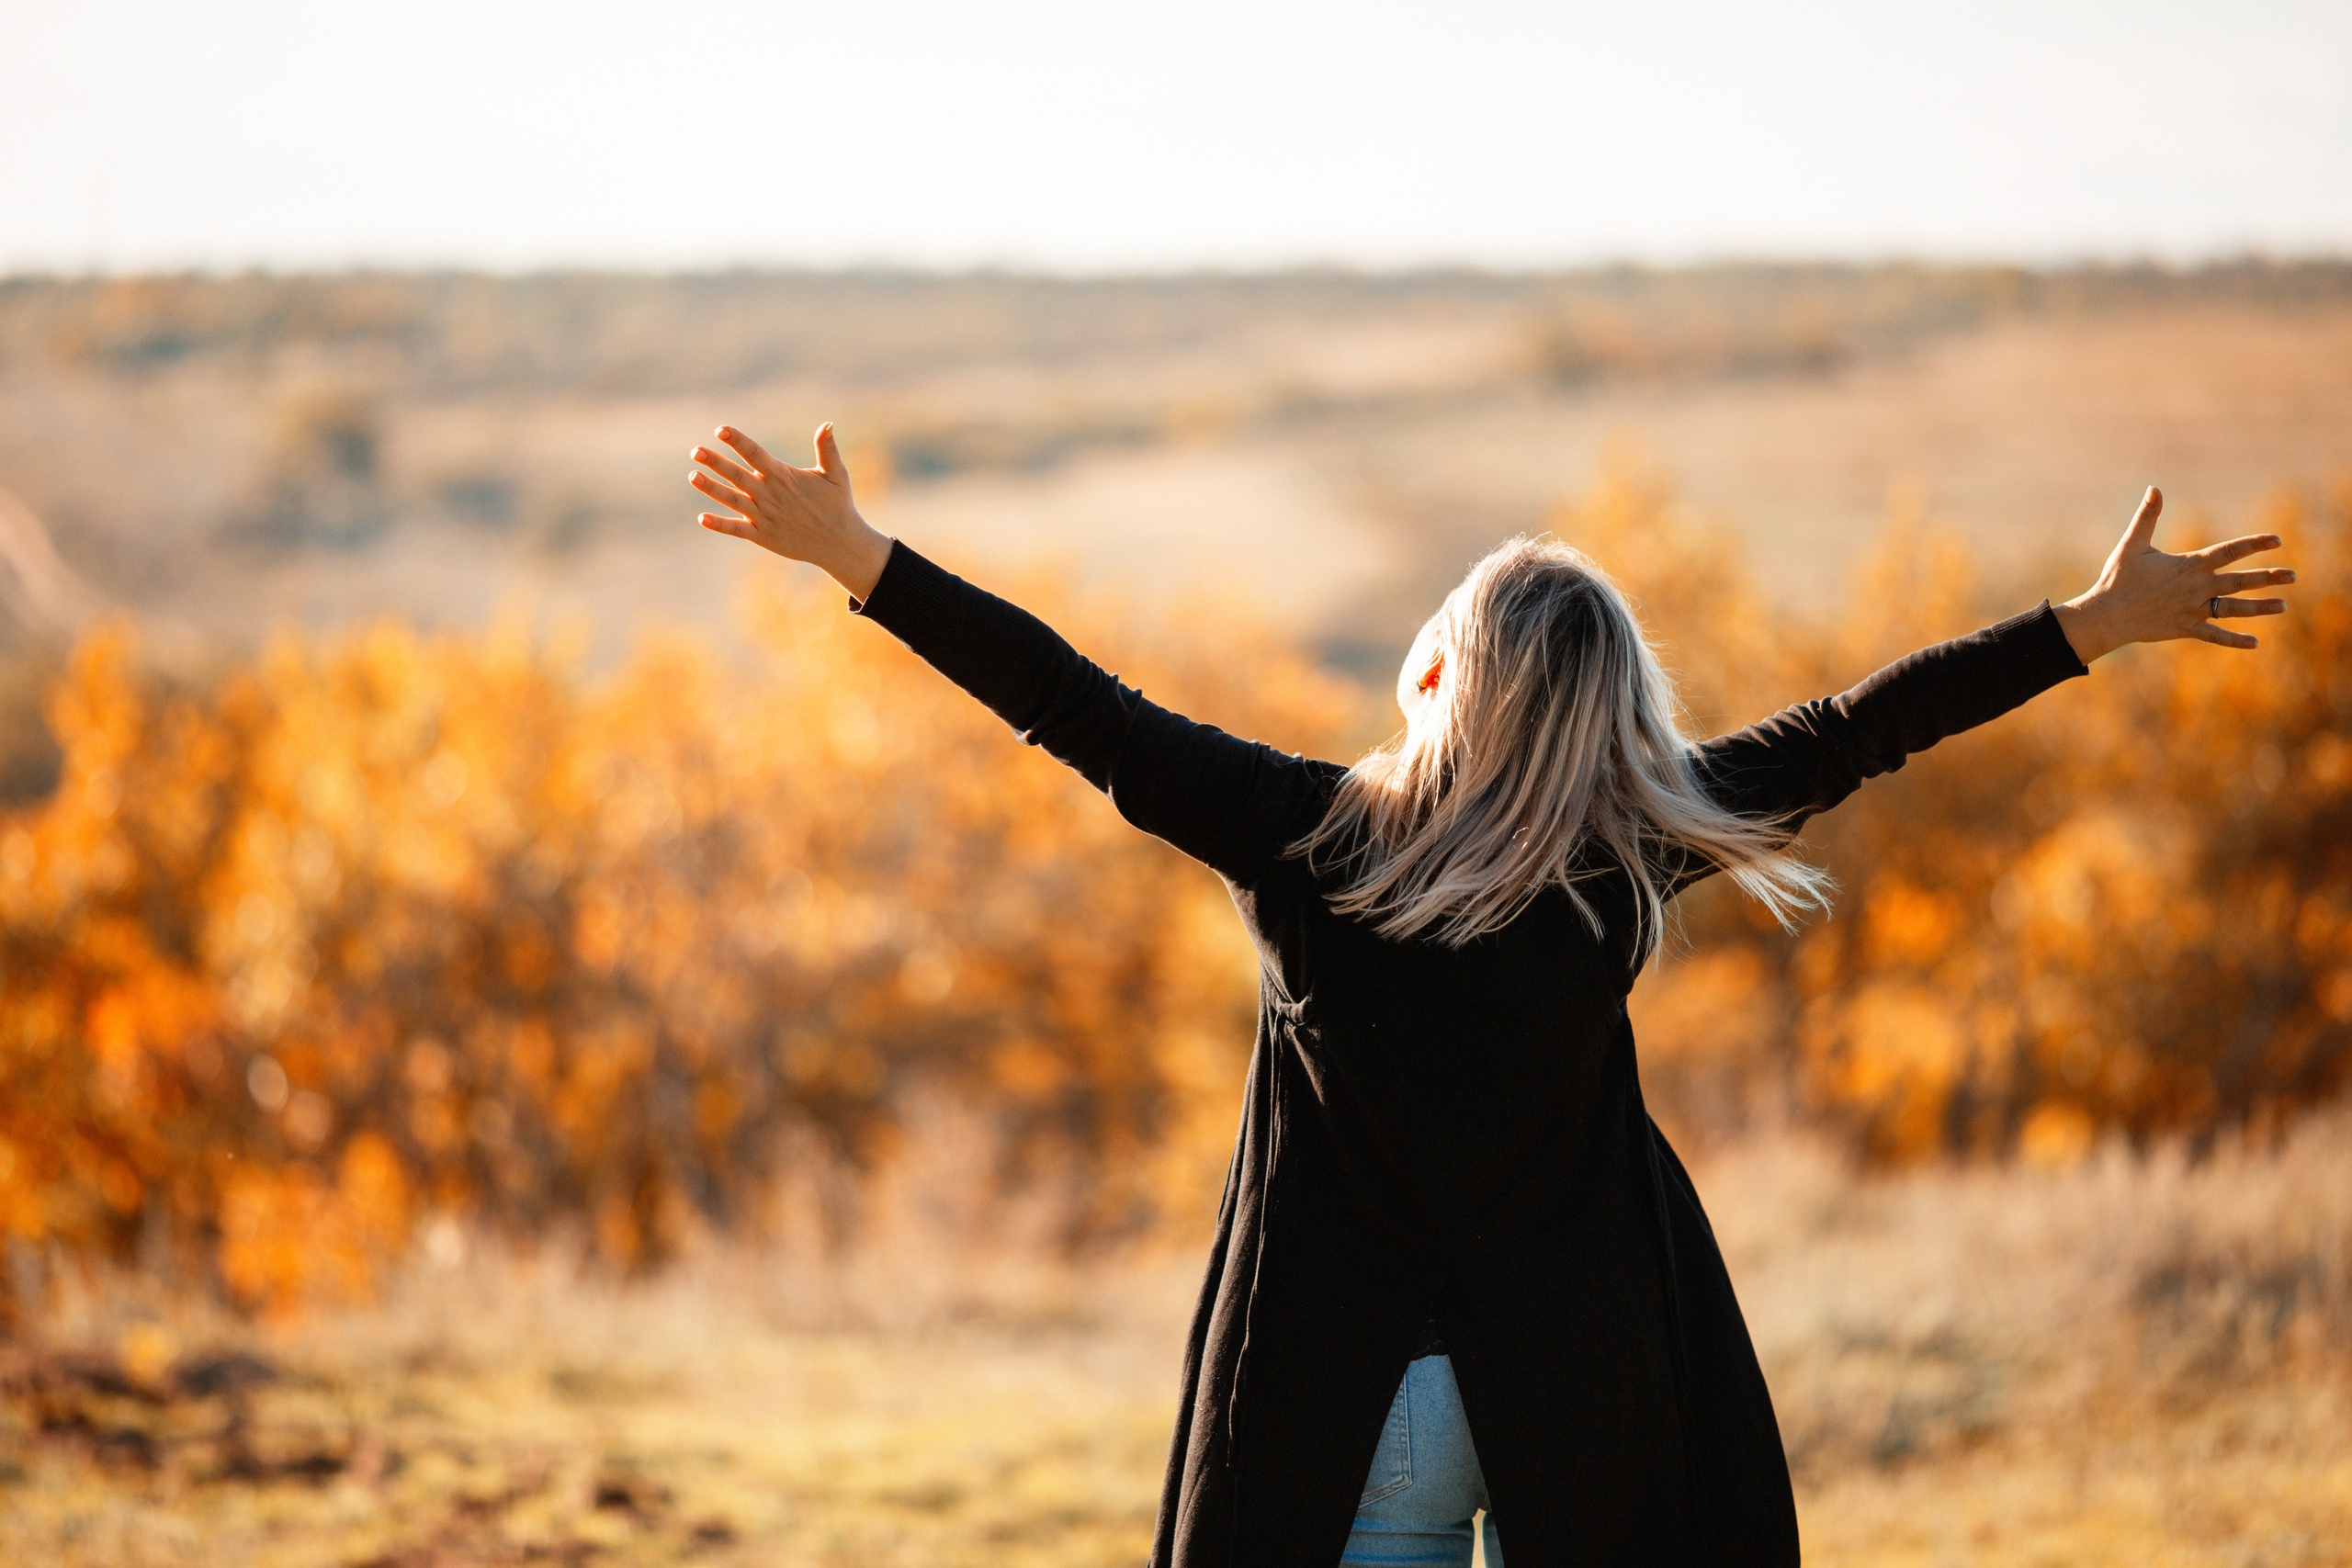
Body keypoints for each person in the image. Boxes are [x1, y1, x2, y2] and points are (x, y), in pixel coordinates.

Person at [687, 423, 2292, 1568]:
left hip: (1358, 1402)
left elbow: (1075, 705)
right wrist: (2088, 626)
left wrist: (862, 560)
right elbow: (1861, 726)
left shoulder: (1314, 842)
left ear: (1443, 675)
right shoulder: (1632, 858)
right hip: (1585, 1393)